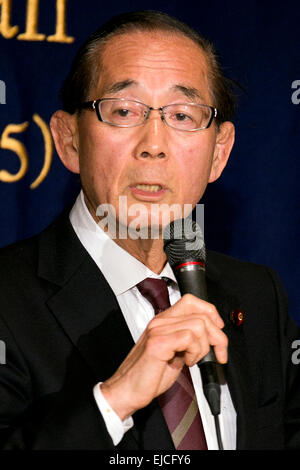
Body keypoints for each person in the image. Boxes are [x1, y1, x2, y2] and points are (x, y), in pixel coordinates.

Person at [0, 11, 299, 451]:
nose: (154, 144)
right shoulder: (8, 298)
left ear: (219, 153)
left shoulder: (257, 296)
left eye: (182, 115)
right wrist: (113, 400)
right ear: (69, 141)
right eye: (124, 110)